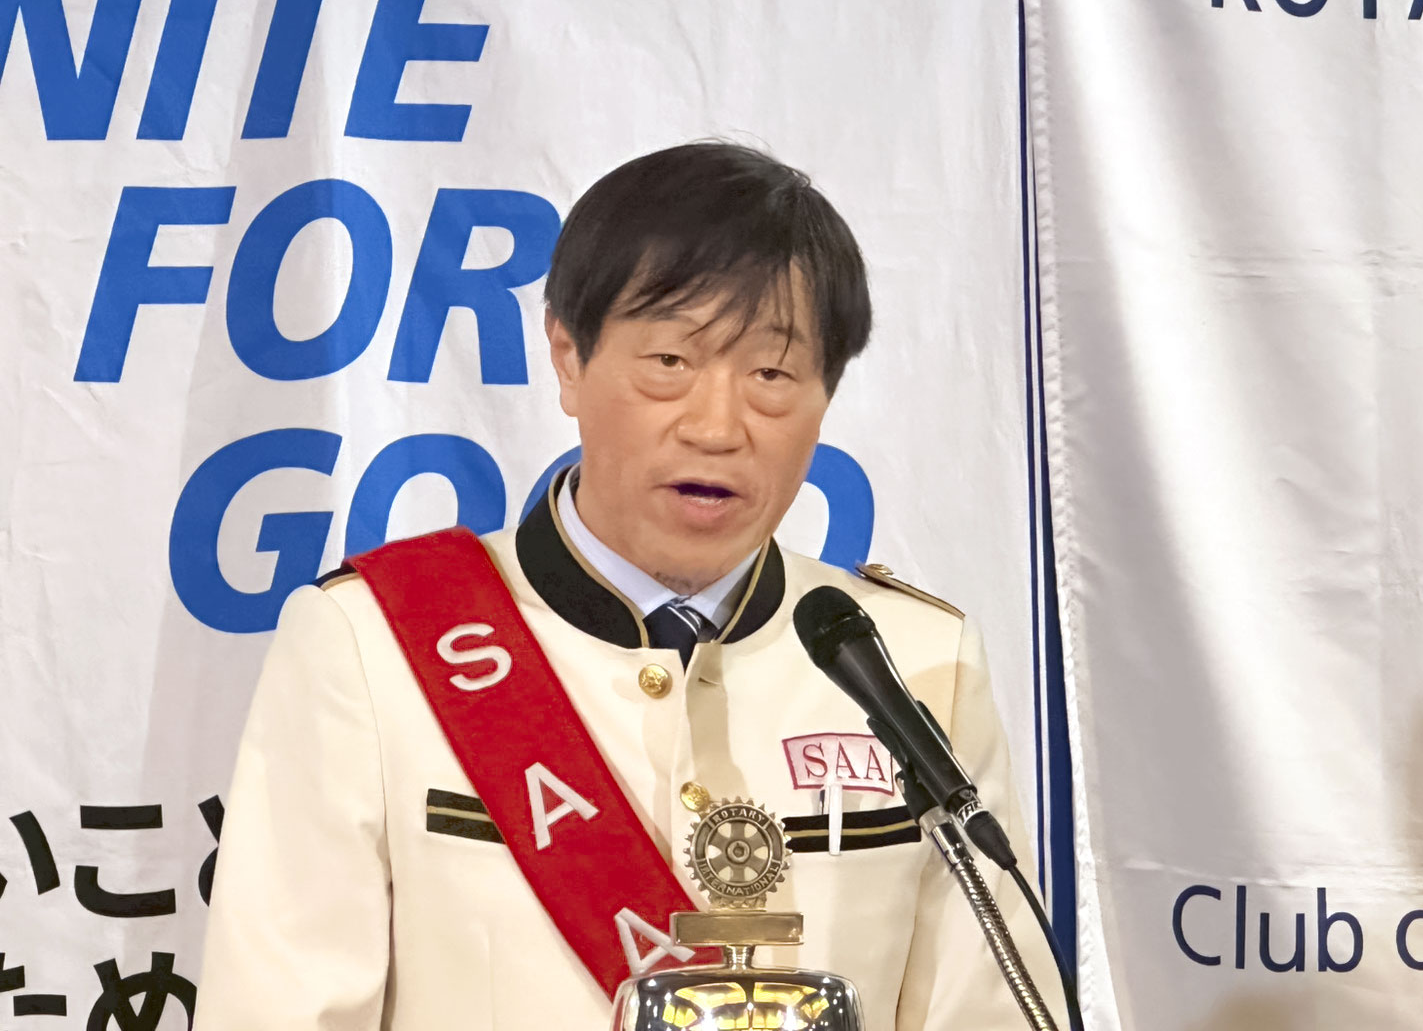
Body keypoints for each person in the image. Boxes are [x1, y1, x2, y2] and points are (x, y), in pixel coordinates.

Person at [194, 142, 1063, 1029]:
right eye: (671, 362)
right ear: (568, 358)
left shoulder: (914, 665)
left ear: (825, 396)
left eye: (770, 374)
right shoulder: (373, 645)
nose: (717, 427)